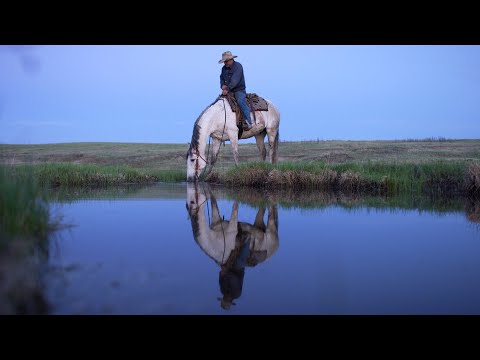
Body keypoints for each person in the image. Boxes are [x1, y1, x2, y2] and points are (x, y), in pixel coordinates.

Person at [219, 51, 253, 131]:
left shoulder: (238, 66)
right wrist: (222, 85)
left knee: (241, 101)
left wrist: (227, 89)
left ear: (231, 59)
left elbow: (235, 80)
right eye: (224, 61)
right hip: (228, 90)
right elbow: (221, 78)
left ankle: (249, 122)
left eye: (226, 61)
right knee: (220, 102)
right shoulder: (224, 69)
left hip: (239, 90)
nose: (225, 63)